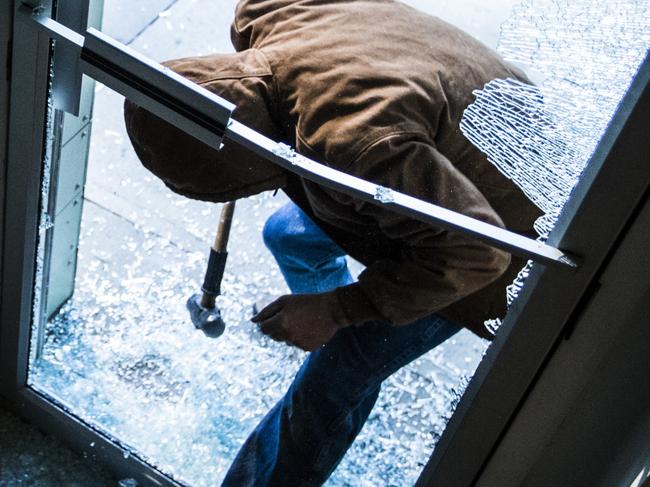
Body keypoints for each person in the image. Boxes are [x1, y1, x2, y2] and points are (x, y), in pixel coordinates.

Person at [124, 0, 541, 484]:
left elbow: (476, 253)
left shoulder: (353, 142)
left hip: (507, 229)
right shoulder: (267, 11)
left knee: (335, 375)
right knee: (287, 233)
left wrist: (341, 310)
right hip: (449, 142)